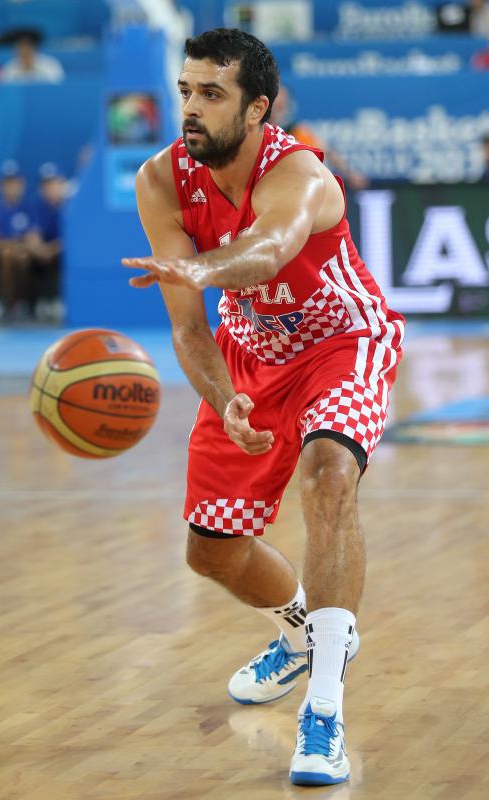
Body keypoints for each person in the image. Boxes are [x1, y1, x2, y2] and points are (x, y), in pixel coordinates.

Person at [122, 28, 405, 786]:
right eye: (186, 90)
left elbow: (269, 251)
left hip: (342, 342)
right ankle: (308, 631)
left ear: (257, 110)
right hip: (250, 360)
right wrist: (225, 401)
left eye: (211, 93)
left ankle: (324, 713)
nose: (190, 107)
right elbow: (187, 325)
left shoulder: (300, 172)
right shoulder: (160, 180)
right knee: (210, 552)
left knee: (327, 480)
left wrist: (196, 264)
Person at [271, 84, 369, 190]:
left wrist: (350, 174)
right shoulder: (256, 130)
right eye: (275, 100)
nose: (278, 103)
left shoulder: (297, 132)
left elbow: (327, 151)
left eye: (281, 103)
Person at [0, 160, 35, 321]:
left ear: (22, 184)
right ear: (1, 186)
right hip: (2, 251)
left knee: (23, 257)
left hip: (24, 250)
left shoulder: (29, 207)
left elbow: (33, 235)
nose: (11, 187)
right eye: (7, 183)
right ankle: (4, 304)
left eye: (15, 183)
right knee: (6, 256)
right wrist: (6, 245)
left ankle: (27, 303)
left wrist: (20, 246)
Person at [24, 162, 65, 321]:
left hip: (62, 251)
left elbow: (72, 239)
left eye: (54, 183)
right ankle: (31, 304)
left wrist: (53, 249)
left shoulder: (70, 205)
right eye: (46, 184)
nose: (50, 188)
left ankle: (60, 300)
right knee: (25, 258)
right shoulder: (37, 207)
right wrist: (41, 250)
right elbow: (32, 235)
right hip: (44, 253)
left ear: (61, 183)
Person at [0, 31, 64, 83]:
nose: (23, 50)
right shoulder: (10, 66)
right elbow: (4, 89)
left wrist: (34, 68)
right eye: (20, 46)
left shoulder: (51, 64)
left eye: (27, 45)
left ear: (34, 47)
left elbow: (58, 85)